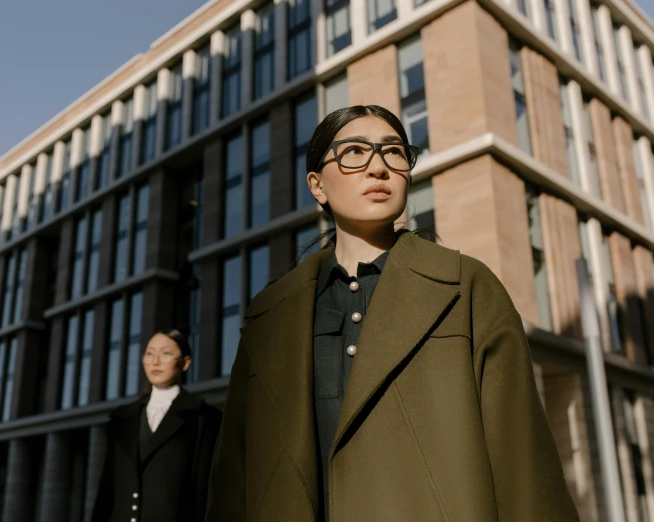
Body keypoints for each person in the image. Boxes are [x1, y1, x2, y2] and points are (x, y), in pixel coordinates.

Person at [205, 105, 579, 521]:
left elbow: (523, 463)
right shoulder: (270, 315)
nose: (377, 167)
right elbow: (232, 482)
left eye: (394, 152)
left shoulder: (467, 287)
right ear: (317, 185)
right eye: (354, 152)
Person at [91, 329, 222, 522]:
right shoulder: (122, 418)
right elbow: (107, 491)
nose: (155, 361)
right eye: (150, 353)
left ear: (185, 363)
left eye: (165, 353)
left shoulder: (204, 418)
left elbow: (205, 492)